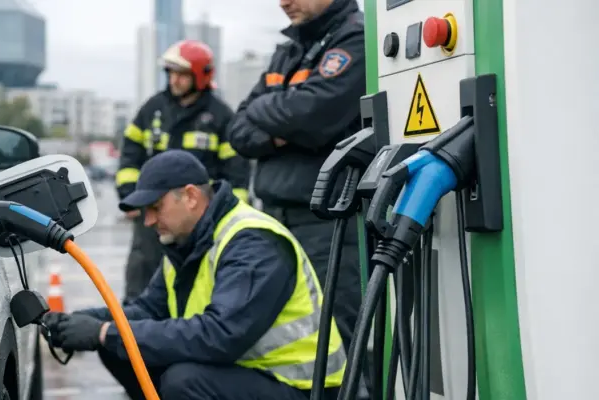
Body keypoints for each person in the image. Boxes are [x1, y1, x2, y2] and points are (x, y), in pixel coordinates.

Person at [42, 150, 345, 400]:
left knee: (181, 381)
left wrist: (106, 332)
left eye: (155, 207)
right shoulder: (186, 242)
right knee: (120, 347)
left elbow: (220, 336)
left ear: (189, 196)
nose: (148, 221)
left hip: (302, 387)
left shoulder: (253, 243)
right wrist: (86, 321)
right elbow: (148, 310)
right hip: (247, 374)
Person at [226, 0, 365, 355]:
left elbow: (309, 115)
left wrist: (271, 113)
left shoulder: (355, 39)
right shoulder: (290, 50)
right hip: (276, 222)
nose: (283, 2)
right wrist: (280, 127)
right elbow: (239, 129)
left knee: (338, 340)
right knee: (282, 340)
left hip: (328, 225)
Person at [116, 39, 251, 304]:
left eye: (182, 74)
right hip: (153, 210)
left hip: (198, 219)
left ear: (200, 76)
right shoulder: (152, 109)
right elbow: (130, 153)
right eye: (171, 73)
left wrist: (228, 217)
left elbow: (236, 172)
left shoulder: (220, 116)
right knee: (141, 280)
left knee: (197, 286)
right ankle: (132, 338)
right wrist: (129, 194)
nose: (174, 80)